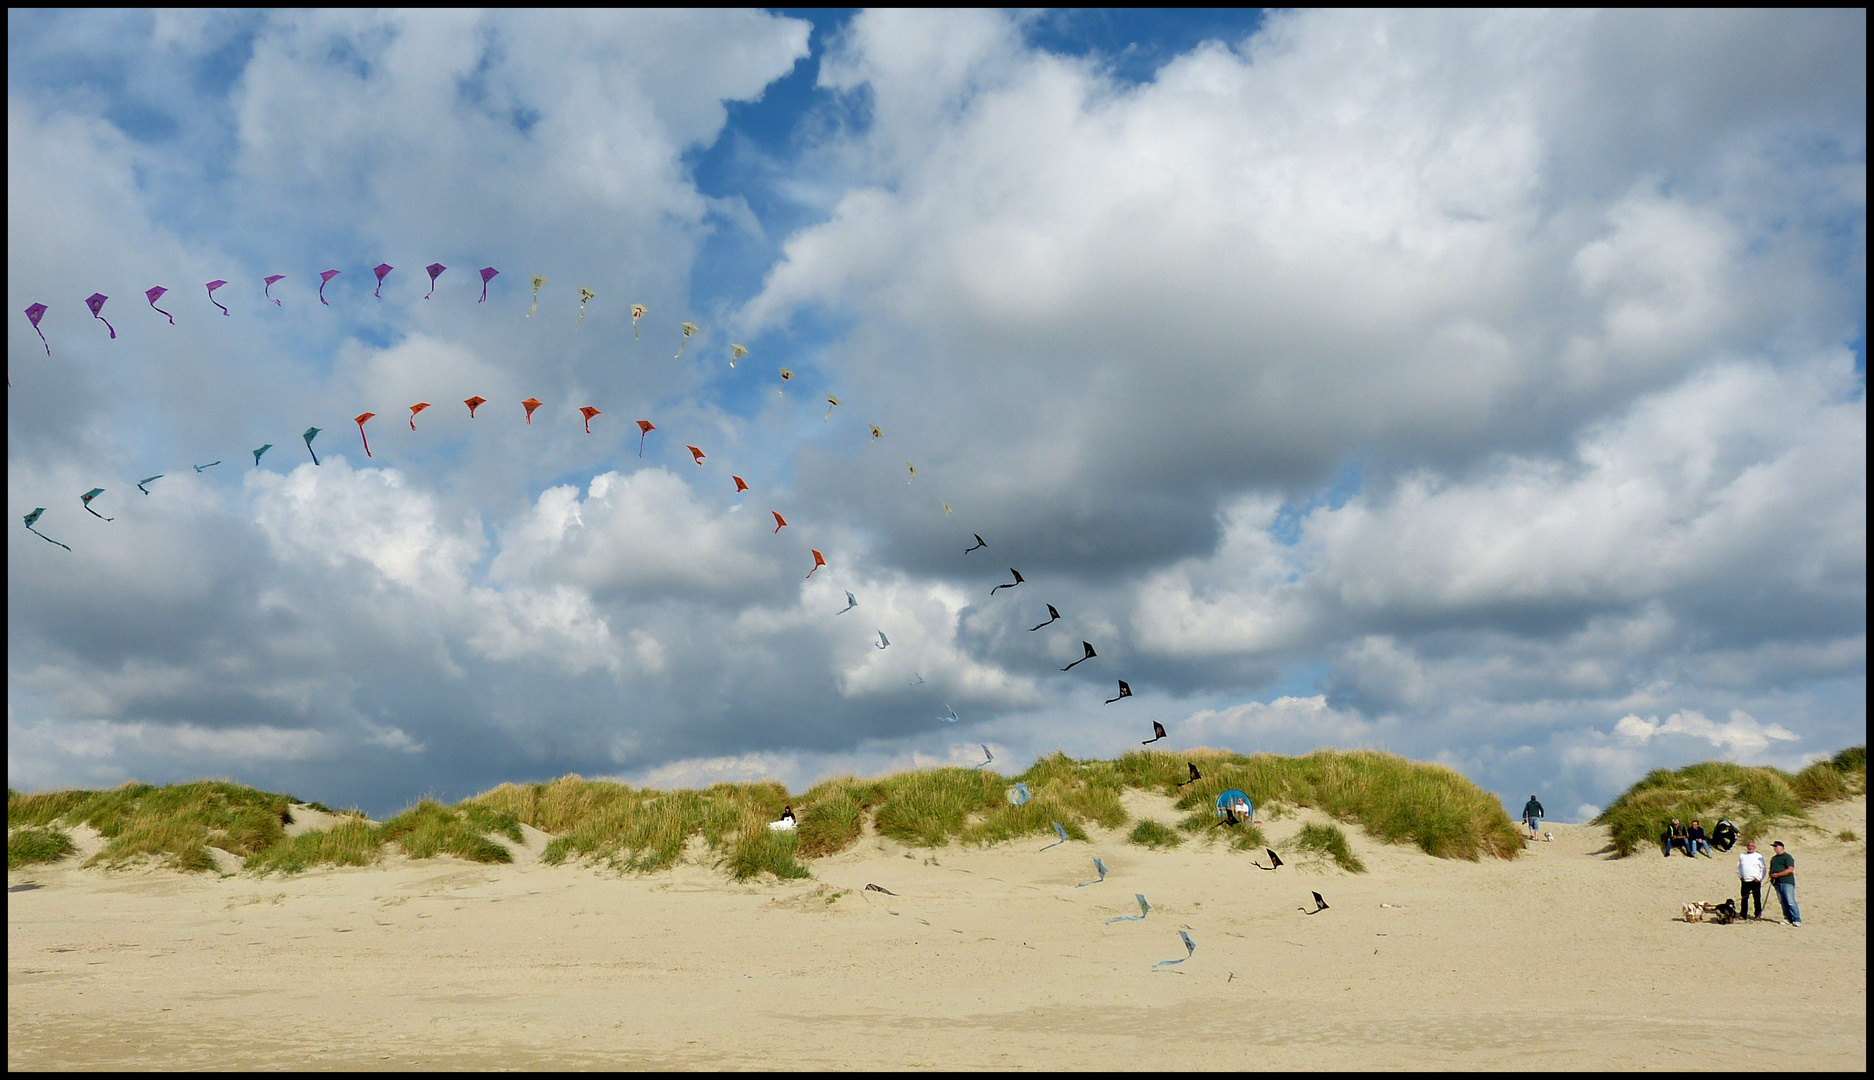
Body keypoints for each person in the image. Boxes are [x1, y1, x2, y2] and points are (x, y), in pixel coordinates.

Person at [1767, 841, 1800, 927]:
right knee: (1783, 901)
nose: (1775, 848)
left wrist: (1778, 875)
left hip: (1787, 882)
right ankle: (1787, 918)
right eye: (1774, 846)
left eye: (1776, 846)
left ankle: (1796, 919)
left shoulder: (1787, 857)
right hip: (1777, 882)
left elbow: (1790, 869)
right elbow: (1771, 869)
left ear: (1782, 847)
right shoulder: (1774, 858)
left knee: (1790, 901)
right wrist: (1771, 876)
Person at [1737, 839, 1766, 920]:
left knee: (1757, 899)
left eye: (1752, 846)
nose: (1750, 847)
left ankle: (1757, 915)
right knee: (1744, 899)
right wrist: (1740, 876)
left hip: (1755, 881)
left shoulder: (1759, 856)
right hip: (1745, 880)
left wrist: (1759, 878)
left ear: (1755, 847)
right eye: (1749, 846)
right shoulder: (1742, 855)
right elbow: (1739, 867)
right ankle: (1743, 915)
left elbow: (1763, 869)